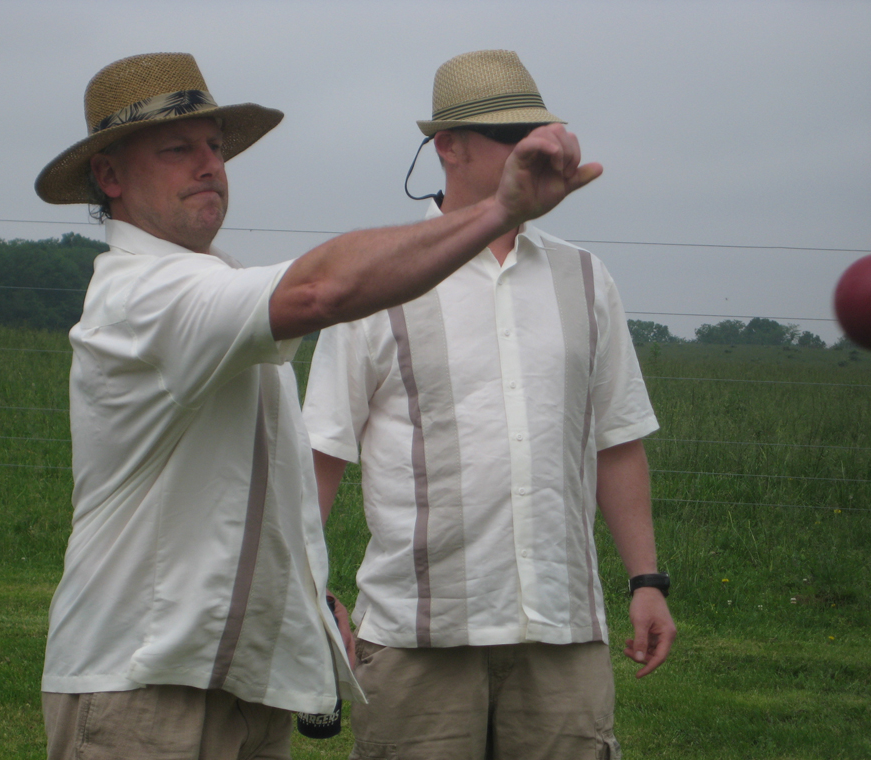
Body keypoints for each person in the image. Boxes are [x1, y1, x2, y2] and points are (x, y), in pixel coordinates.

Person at [33, 51, 602, 760]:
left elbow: (246, 478)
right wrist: (500, 211)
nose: (209, 166)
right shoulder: (143, 295)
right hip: (141, 687)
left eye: (215, 146)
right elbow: (320, 291)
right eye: (177, 150)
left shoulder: (208, 283)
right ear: (110, 177)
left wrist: (305, 585)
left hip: (233, 687)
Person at [302, 49, 676, 760]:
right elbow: (321, 451)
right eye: (511, 136)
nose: (534, 151)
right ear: (448, 146)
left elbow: (617, 440)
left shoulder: (586, 278)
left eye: (538, 134)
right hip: (419, 635)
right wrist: (304, 589)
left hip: (562, 631)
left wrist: (647, 582)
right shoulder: (377, 279)